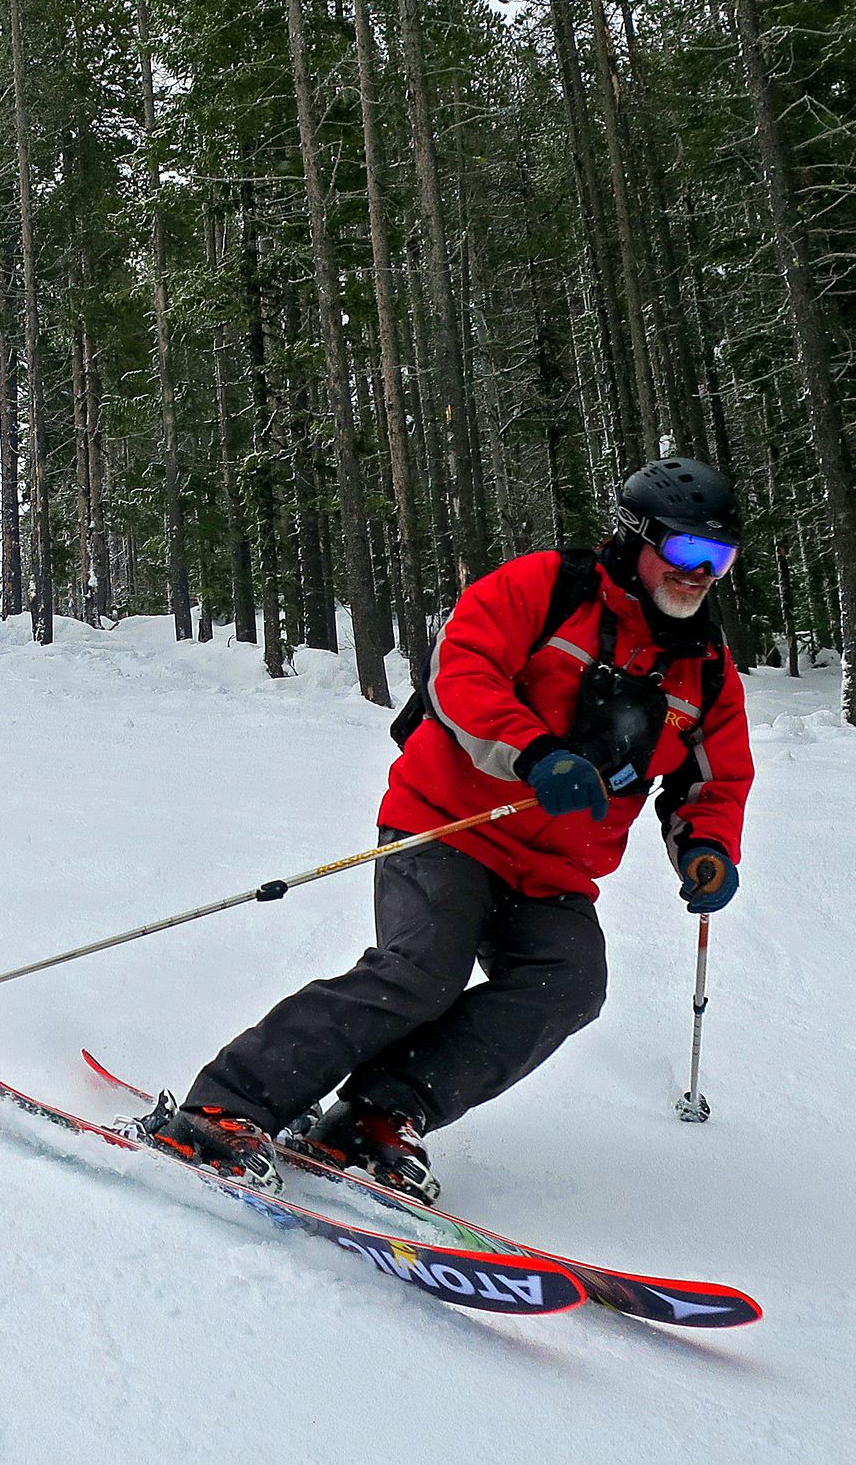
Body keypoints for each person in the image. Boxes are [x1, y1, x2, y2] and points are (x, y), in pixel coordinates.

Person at [139, 458, 754, 1199]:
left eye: (719, 559)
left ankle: (378, 1113)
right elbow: (459, 672)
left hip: (554, 871)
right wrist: (533, 753)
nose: (701, 574)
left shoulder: (705, 669)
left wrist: (707, 848)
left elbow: (713, 779)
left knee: (571, 982)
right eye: (689, 552)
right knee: (422, 971)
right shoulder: (548, 588)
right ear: (639, 537)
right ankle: (223, 1105)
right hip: (448, 823)